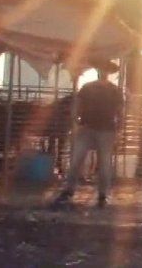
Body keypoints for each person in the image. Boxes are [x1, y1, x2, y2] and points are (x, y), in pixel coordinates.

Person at [54, 64, 123, 208]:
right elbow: (78, 105)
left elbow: (119, 111)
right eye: (102, 69)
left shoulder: (111, 90)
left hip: (102, 129)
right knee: (78, 160)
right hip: (91, 127)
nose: (103, 72)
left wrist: (118, 129)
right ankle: (71, 190)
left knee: (102, 164)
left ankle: (101, 195)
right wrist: (76, 121)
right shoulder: (100, 89)